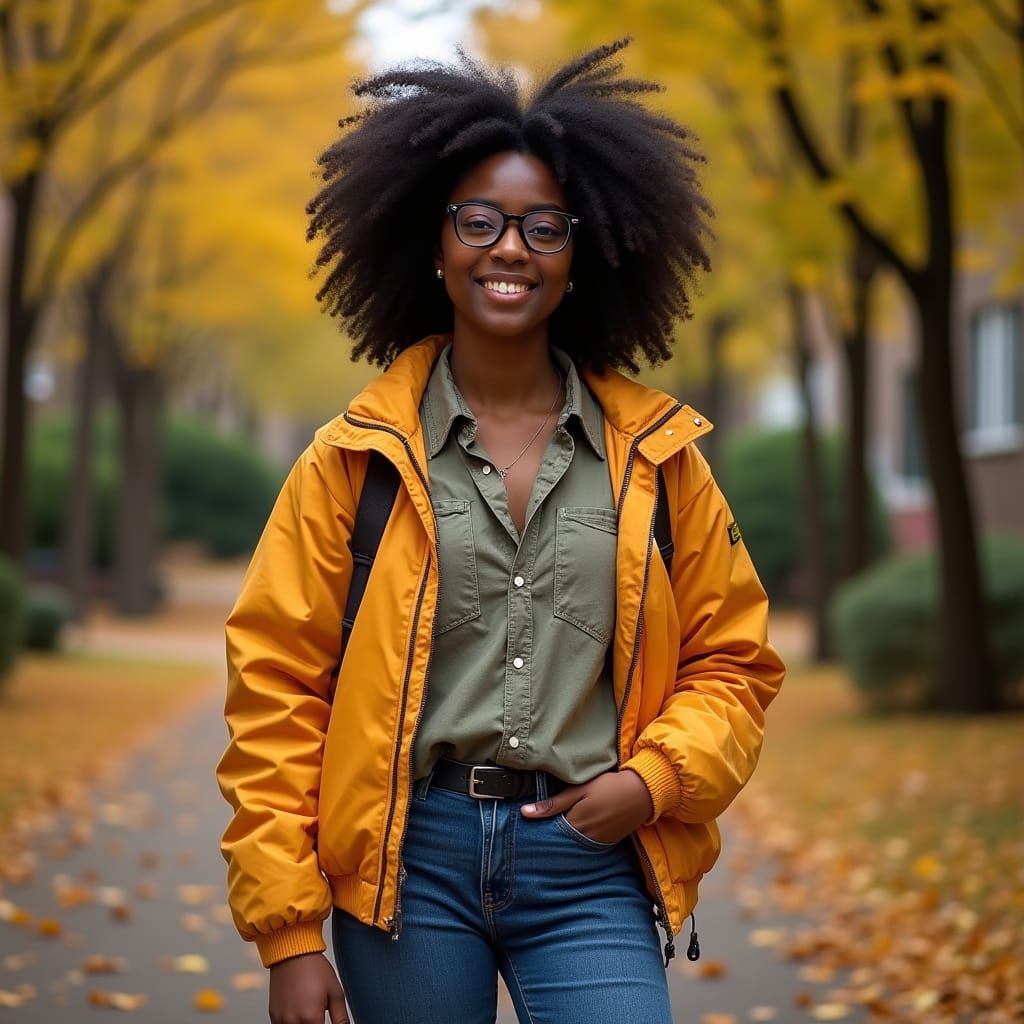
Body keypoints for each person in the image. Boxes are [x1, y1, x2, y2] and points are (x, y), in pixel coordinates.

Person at [216, 36, 786, 1024]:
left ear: (585, 255)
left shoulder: (659, 456)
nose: (509, 248)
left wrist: (653, 782)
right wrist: (289, 934)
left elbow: (733, 663)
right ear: (433, 247)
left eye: (543, 227)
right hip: (406, 866)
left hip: (590, 862)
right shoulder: (350, 461)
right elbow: (275, 688)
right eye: (478, 221)